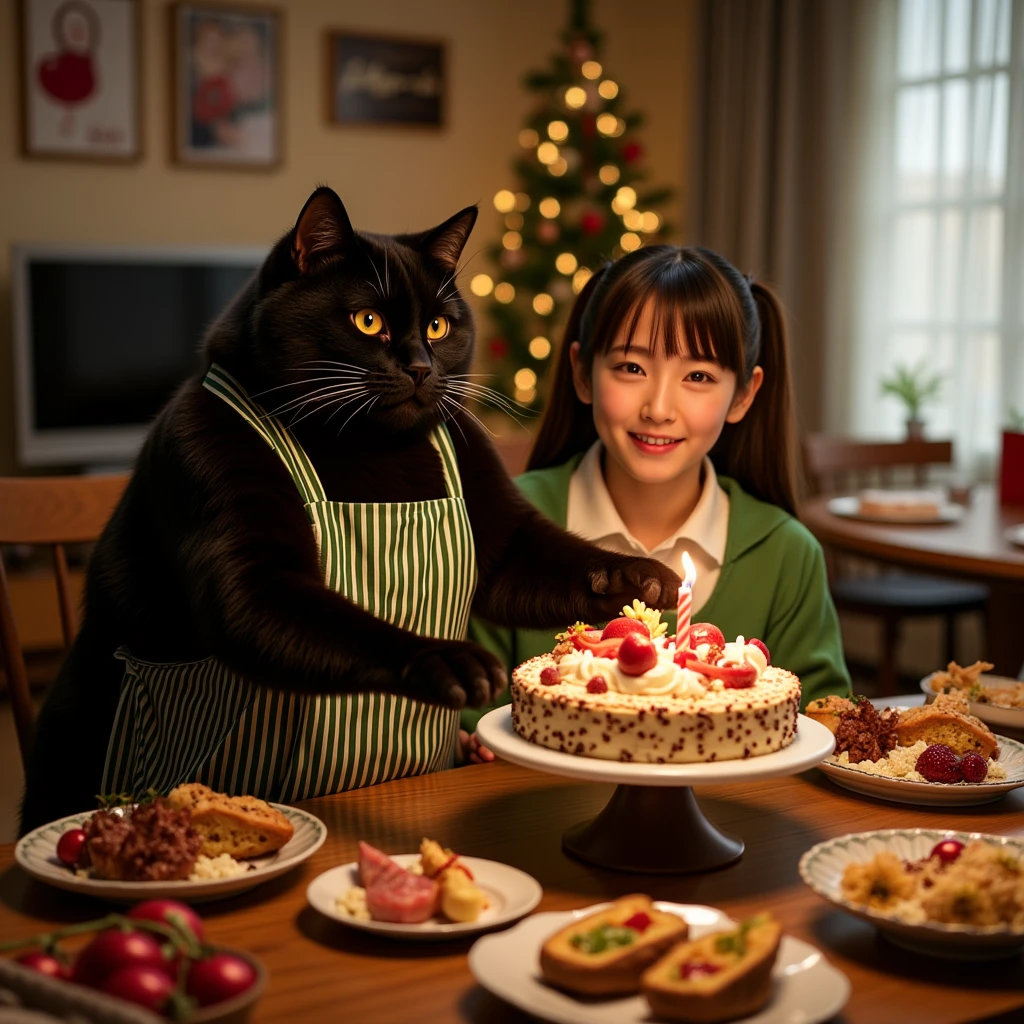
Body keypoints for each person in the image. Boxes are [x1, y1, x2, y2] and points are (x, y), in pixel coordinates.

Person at [461, 245, 851, 761]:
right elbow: (462, 721)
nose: (659, 408)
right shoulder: (503, 523)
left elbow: (825, 727)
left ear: (743, 395)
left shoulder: (785, 553)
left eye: (698, 377)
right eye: (630, 367)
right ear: (582, 372)